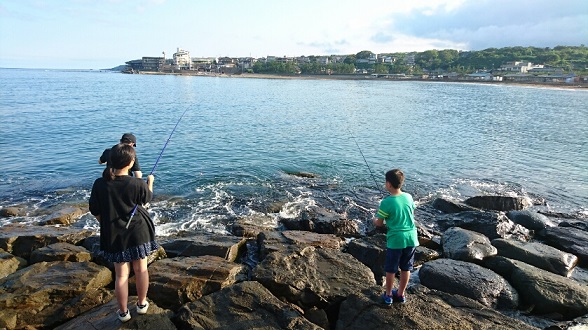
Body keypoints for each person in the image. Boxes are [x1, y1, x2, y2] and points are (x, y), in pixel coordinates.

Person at [89, 143, 158, 322]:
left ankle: (123, 312)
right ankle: (142, 304)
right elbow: (147, 199)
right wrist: (150, 182)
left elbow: (95, 210)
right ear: (129, 163)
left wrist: (107, 224)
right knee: (141, 269)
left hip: (114, 235)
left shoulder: (100, 184)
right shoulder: (137, 183)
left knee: (121, 275)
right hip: (138, 232)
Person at [373, 169, 419, 305]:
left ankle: (388, 295)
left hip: (396, 240)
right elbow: (410, 211)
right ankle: (401, 294)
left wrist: (374, 220)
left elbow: (379, 223)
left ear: (388, 184)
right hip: (411, 237)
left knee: (391, 269)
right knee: (406, 267)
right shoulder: (409, 197)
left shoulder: (386, 202)